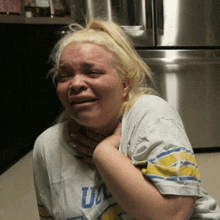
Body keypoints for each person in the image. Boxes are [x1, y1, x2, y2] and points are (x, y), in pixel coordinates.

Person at [33, 19, 220, 220]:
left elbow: (173, 215)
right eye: (64, 76)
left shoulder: (150, 113)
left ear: (125, 84)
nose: (76, 83)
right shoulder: (47, 146)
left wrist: (104, 153)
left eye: (92, 72)